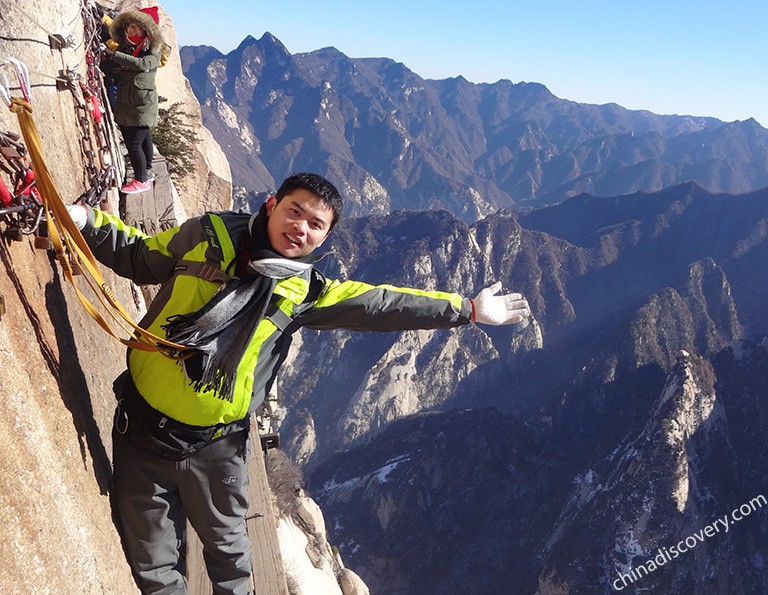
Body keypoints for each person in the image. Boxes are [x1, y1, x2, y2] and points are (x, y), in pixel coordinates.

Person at [67, 172, 531, 594]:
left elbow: (382, 304)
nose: (301, 228)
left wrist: (466, 310)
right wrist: (85, 219)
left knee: (230, 558)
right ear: (271, 205)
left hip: (215, 449)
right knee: (152, 559)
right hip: (142, 433)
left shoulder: (307, 292)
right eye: (295, 211)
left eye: (316, 224)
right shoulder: (207, 237)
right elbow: (140, 256)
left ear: (324, 237)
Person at [104, 6, 167, 195]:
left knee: (134, 143)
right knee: (144, 137)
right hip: (131, 102)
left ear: (146, 31)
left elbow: (141, 64)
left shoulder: (152, 50)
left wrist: (114, 55)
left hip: (141, 104)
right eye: (129, 26)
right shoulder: (129, 46)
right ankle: (147, 171)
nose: (131, 30)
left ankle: (141, 180)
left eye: (136, 27)